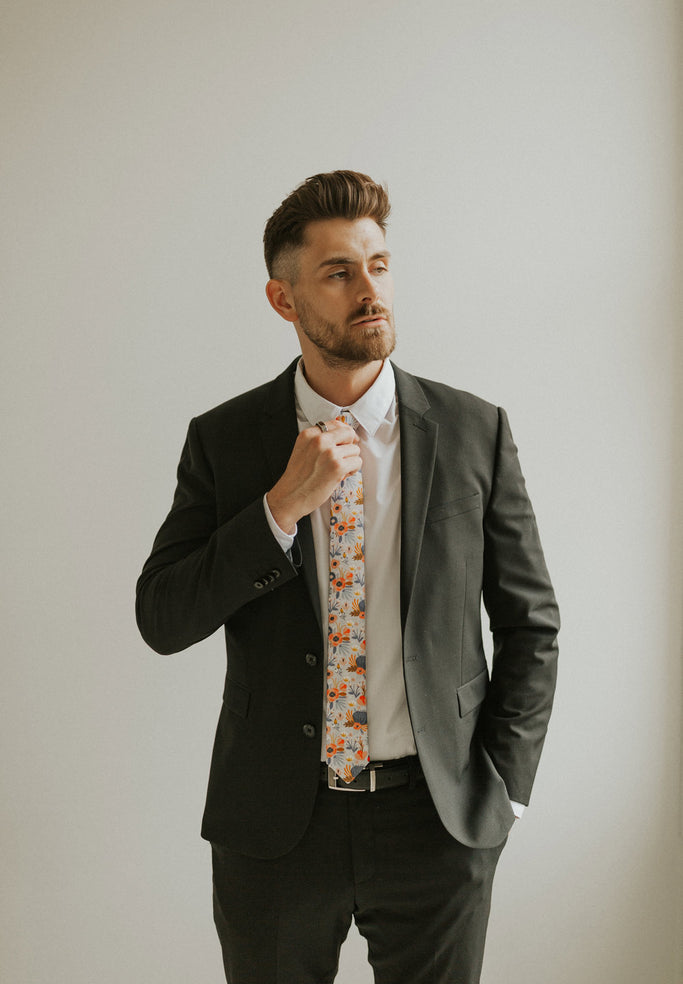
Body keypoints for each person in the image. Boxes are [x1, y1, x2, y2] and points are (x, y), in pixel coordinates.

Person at [136, 170, 560, 984]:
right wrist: (277, 510)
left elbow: (530, 622)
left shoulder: (472, 431)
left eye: (379, 264)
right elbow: (162, 617)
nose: (370, 291)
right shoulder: (226, 442)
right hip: (275, 828)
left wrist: (504, 789)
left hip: (437, 820)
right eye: (338, 273)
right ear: (283, 299)